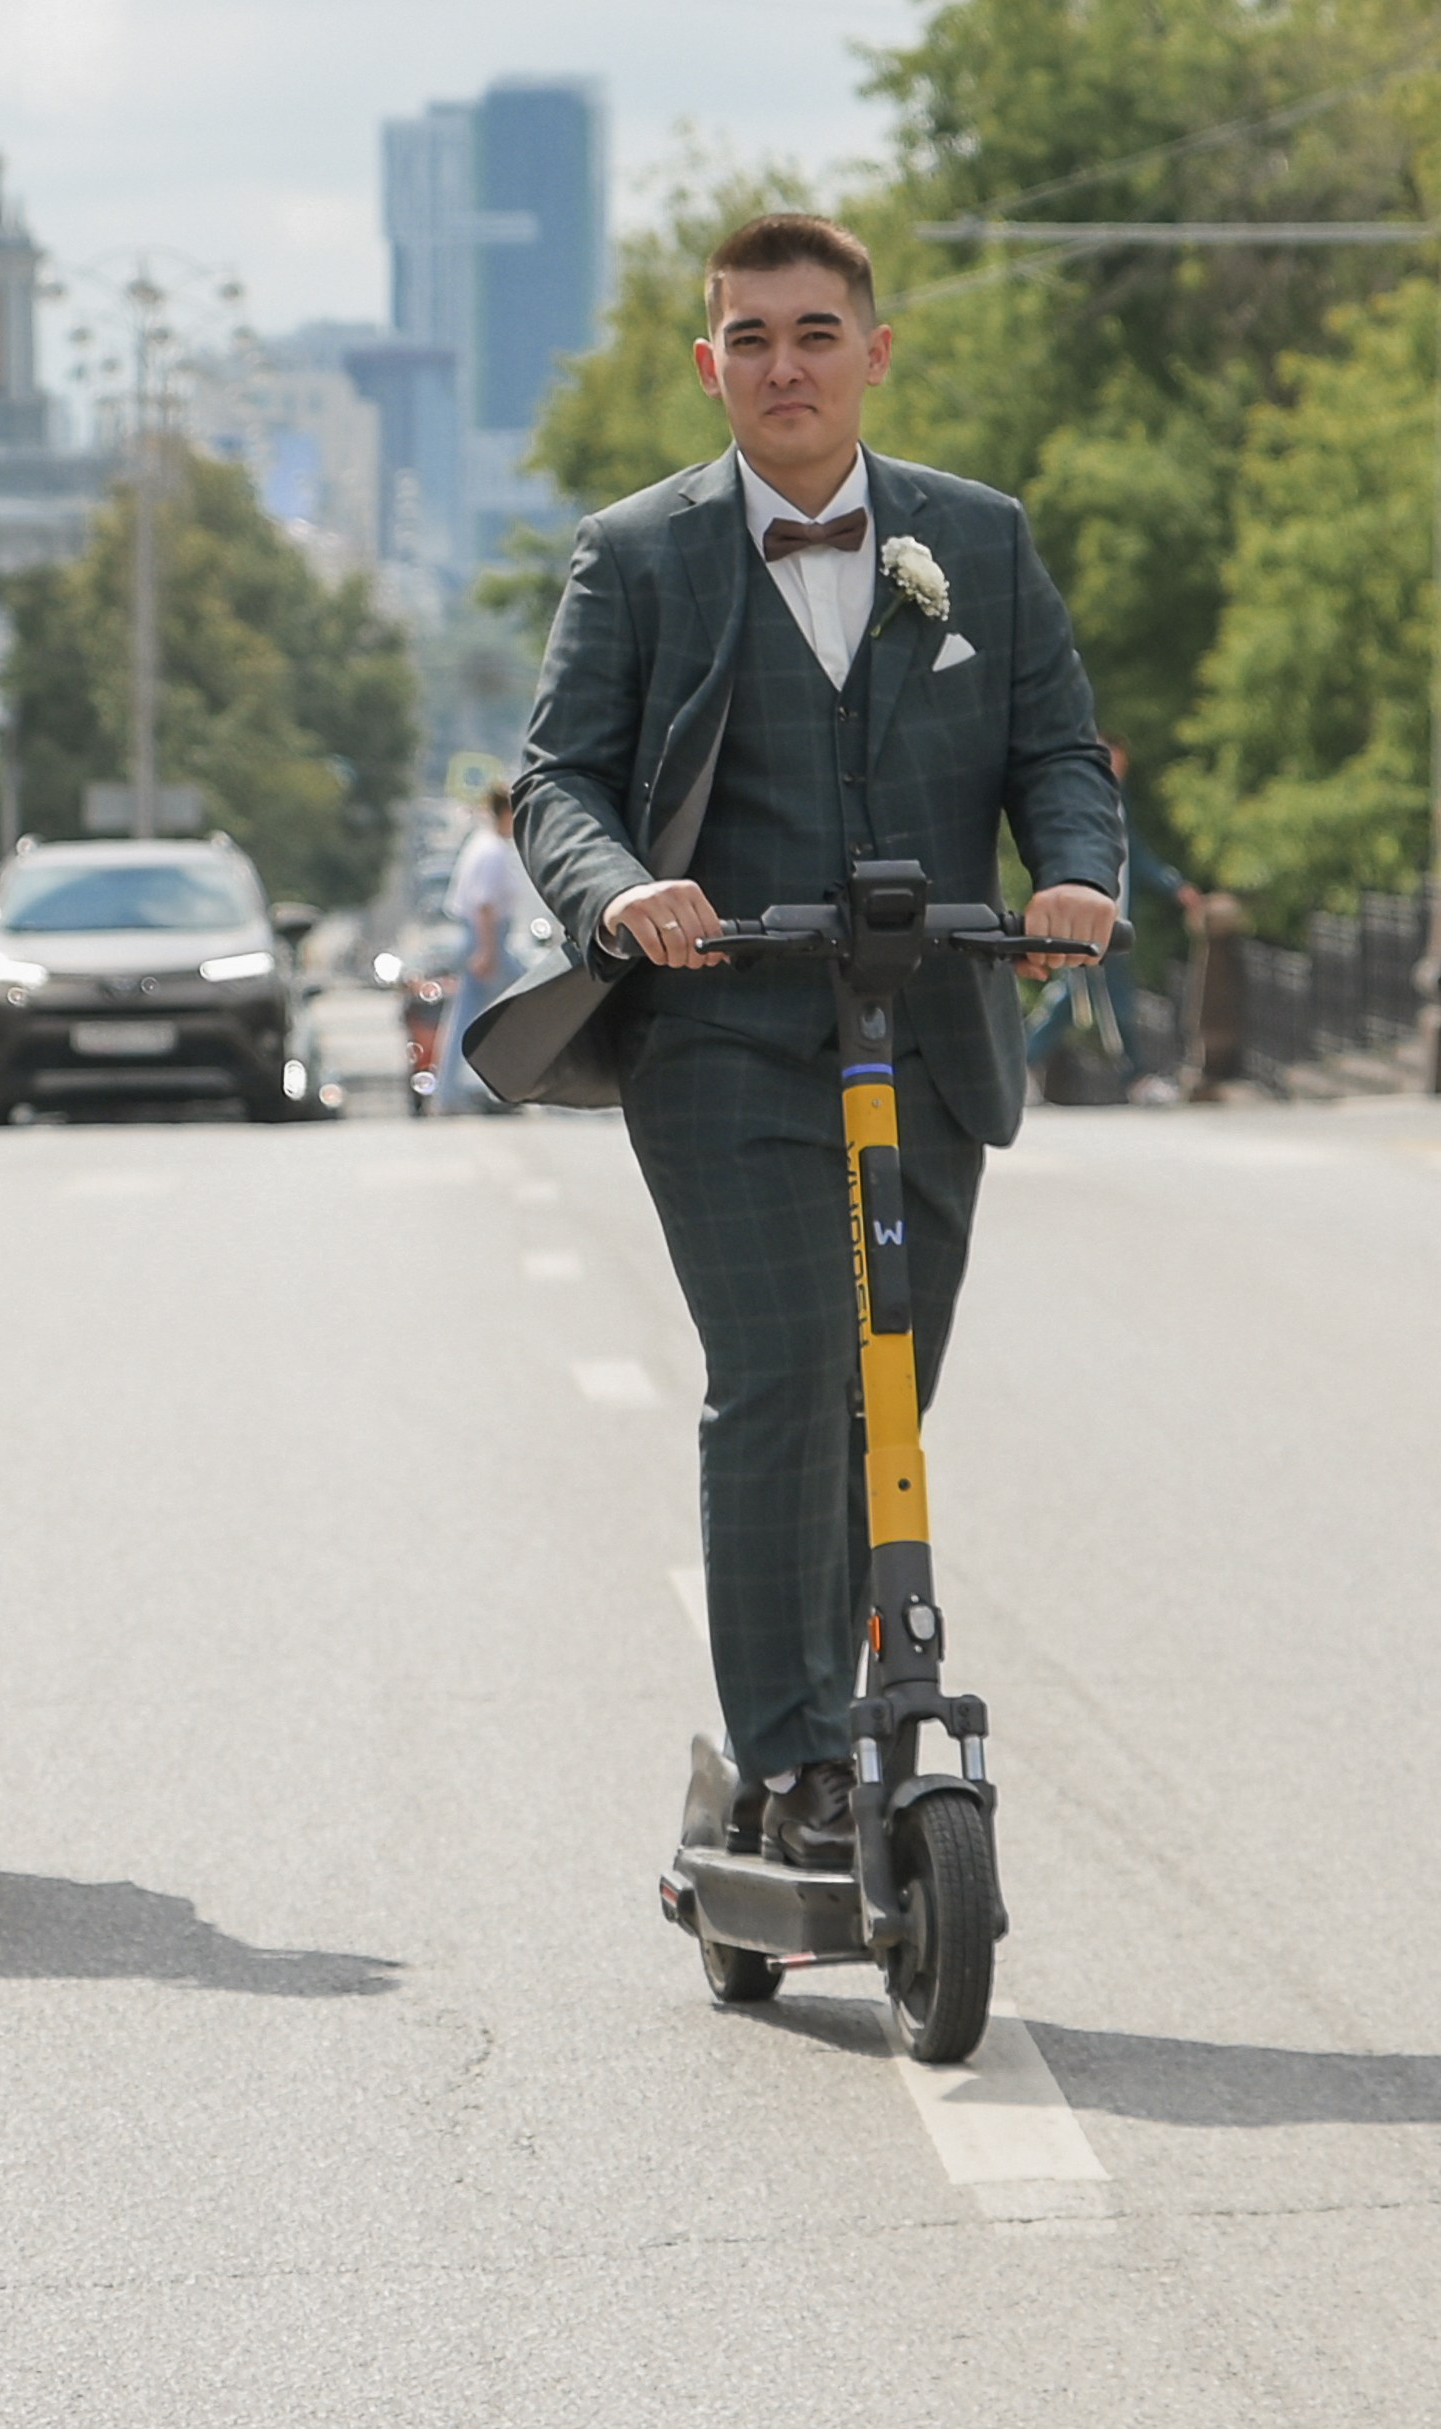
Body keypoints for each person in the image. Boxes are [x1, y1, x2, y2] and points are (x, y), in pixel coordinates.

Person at [512, 212, 1121, 1869]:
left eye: (810, 332)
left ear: (871, 349)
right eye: (747, 337)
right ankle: (787, 1761)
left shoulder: (974, 545)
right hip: (720, 1029)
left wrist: (1073, 871)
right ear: (706, 360)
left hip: (923, 1026)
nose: (780, 365)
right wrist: (621, 888)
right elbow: (555, 778)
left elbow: (1056, 746)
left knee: (885, 1401)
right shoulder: (635, 553)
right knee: (781, 1379)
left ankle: (860, 1717)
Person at [1022, 738, 1200, 1102]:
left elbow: (1133, 852)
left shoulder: (1115, 803)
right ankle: (1133, 1078)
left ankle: (1022, 1062)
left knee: (1084, 1000)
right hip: (1087, 921)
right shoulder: (1080, 800)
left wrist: (1173, 885)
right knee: (1089, 1000)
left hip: (1111, 921)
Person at [436, 783, 531, 1113]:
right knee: (529, 1001)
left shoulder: (484, 845)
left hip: (484, 939)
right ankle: (457, 1093)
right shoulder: (491, 850)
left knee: (474, 1018)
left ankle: (454, 1092)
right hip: (486, 940)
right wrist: (488, 952)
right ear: (505, 814)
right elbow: (485, 906)